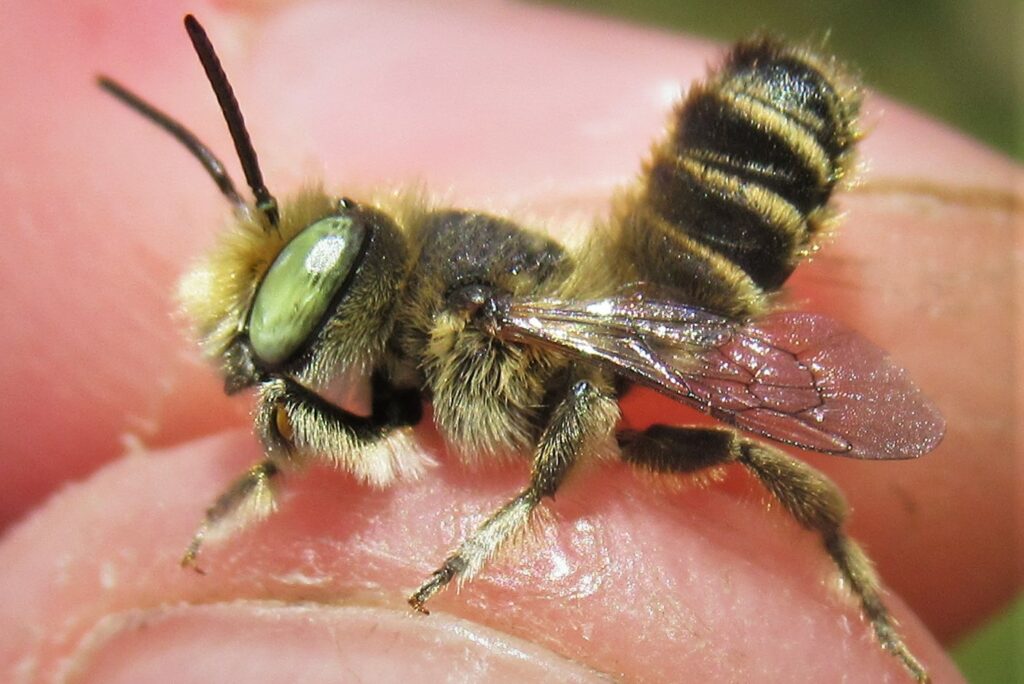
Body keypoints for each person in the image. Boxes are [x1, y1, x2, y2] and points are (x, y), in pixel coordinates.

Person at [0, 2, 1017, 681]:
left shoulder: (488, 315)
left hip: (697, 249)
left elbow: (581, 397)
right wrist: (269, 460)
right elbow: (315, 408)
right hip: (694, 177)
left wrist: (515, 517)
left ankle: (863, 603)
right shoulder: (402, 333)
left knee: (704, 434)